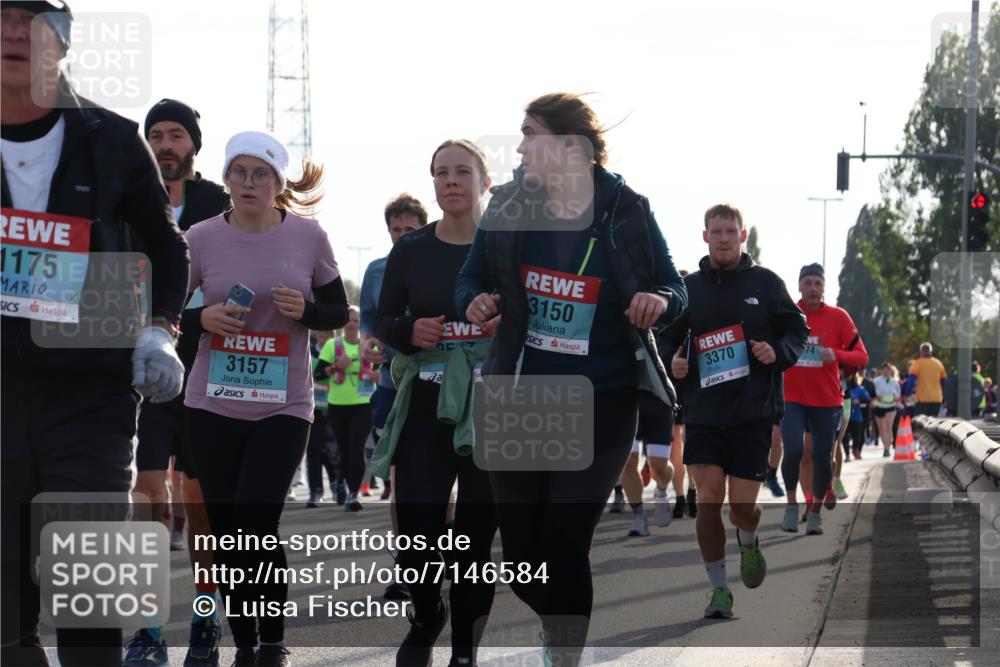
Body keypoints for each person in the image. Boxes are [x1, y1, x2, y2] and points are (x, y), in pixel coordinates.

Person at [456, 93, 687, 663]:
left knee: (565, 542)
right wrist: (477, 302)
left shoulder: (625, 208)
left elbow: (676, 286)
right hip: (520, 393)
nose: (519, 145)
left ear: (567, 145)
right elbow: (469, 279)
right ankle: (557, 629)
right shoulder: (508, 206)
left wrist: (657, 299)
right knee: (522, 562)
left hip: (601, 397)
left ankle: (564, 655)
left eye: (529, 133)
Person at [1, 4, 190, 666]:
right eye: (1, 17)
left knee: (88, 595)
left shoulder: (110, 139)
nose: (15, 33)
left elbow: (168, 250)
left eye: (33, 19)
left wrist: (160, 332)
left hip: (91, 398)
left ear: (65, 40)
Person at [182, 130, 349, 667]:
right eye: (238, 172)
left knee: (257, 521)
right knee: (229, 532)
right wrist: (198, 318)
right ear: (225, 178)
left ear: (279, 183)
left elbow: (335, 313)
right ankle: (246, 645)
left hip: (283, 406)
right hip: (211, 403)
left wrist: (304, 310)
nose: (247, 183)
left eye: (260, 174)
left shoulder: (308, 237)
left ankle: (273, 642)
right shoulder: (201, 238)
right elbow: (160, 308)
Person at [372, 139, 499, 667]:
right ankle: (426, 615)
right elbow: (383, 322)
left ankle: (465, 654)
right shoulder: (412, 250)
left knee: (474, 542)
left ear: (484, 182)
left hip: (493, 406)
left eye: (462, 172)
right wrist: (409, 330)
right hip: (426, 402)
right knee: (418, 529)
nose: (451, 181)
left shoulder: (507, 249)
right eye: (441, 173)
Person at [661, 204, 807, 620]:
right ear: (704, 236)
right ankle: (719, 589)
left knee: (742, 508)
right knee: (708, 499)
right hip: (703, 412)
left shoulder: (766, 282)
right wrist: (674, 360)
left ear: (742, 237)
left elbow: (797, 330)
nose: (723, 238)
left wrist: (776, 351)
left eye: (730, 231)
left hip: (752, 413)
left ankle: (749, 539)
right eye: (716, 231)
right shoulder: (688, 288)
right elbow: (665, 336)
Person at [126, 97, 231, 667]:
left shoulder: (218, 201)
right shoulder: (129, 197)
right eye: (156, 135)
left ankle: (206, 621)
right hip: (142, 374)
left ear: (193, 143)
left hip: (209, 375)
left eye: (175, 135)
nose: (165, 145)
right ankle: (147, 630)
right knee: (147, 501)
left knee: (200, 507)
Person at [780, 263, 868, 536]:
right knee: (794, 451)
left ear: (824, 288)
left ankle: (815, 511)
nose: (813, 288)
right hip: (791, 398)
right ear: (799, 287)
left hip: (827, 400)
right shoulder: (787, 315)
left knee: (822, 456)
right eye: (808, 283)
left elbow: (862, 357)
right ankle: (792, 505)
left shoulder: (839, 317)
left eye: (818, 283)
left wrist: (837, 355)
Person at [316, 306, 377, 512]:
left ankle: (353, 494)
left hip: (364, 403)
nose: (352, 324)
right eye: (349, 320)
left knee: (356, 447)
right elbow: (318, 374)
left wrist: (379, 376)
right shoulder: (333, 345)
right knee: (343, 449)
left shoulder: (368, 346)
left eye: (357, 320)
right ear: (343, 324)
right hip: (338, 404)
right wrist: (336, 366)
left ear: (361, 323)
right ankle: (341, 482)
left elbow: (386, 369)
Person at [618, 387, 676, 536]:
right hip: (626, 400)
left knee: (659, 468)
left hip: (659, 400)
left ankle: (661, 491)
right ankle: (639, 515)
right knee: (627, 461)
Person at [306, 329, 339, 507]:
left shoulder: (337, 352)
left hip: (333, 407)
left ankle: (335, 483)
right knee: (313, 451)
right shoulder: (308, 351)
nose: (323, 337)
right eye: (321, 334)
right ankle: (315, 491)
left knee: (331, 451)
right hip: (313, 409)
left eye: (327, 335)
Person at [908, 342, 947, 417]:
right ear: (931, 351)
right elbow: (944, 382)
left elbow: (911, 381)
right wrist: (946, 398)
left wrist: (907, 394)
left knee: (920, 424)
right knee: (933, 424)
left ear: (921, 352)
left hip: (922, 400)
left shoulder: (917, 363)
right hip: (937, 399)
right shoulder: (938, 363)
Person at [873, 362, 901, 457]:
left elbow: (898, 393)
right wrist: (876, 396)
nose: (886, 371)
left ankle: (887, 449)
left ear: (891, 371)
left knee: (889, 427)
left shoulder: (894, 381)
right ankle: (885, 445)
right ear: (882, 370)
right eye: (884, 369)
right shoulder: (876, 381)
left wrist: (895, 397)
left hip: (891, 406)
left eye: (888, 369)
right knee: (882, 429)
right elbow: (872, 392)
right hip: (879, 405)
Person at [845, 373, 870, 460]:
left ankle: (856, 449)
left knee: (858, 436)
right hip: (845, 416)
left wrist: (859, 401)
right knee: (845, 436)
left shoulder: (860, 389)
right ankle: (847, 454)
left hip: (857, 416)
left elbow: (867, 401)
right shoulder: (842, 388)